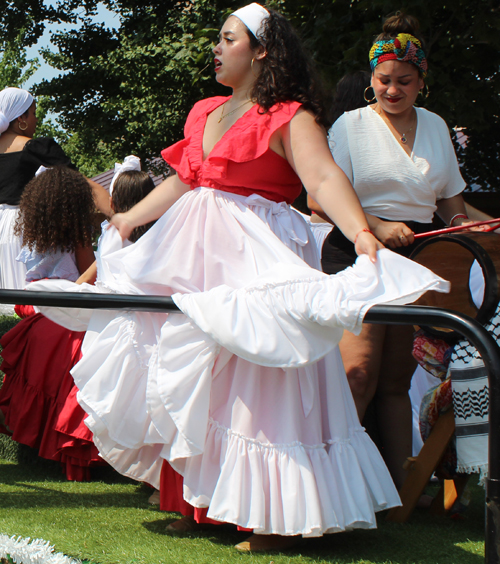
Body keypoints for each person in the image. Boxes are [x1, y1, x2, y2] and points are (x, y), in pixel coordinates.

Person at [62, 4, 448, 551]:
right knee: (198, 373)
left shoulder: (290, 114)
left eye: (227, 39)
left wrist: (361, 232)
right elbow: (186, 180)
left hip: (255, 251)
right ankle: (197, 503)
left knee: (259, 379)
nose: (216, 49)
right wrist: (128, 217)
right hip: (192, 252)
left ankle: (272, 517)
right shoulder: (204, 112)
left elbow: (321, 175)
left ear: (261, 50)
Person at [325, 13, 474, 488]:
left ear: (421, 81)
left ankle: (395, 491)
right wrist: (378, 226)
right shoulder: (349, 125)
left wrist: (463, 227)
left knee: (393, 382)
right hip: (358, 250)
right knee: (357, 373)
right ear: (371, 79)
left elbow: (450, 202)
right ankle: (335, 485)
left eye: (404, 81)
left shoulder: (436, 126)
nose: (393, 90)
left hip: (418, 257)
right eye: (384, 80)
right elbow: (319, 197)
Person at [0, 164, 156, 480]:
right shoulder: (86, 236)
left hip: (39, 307)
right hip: (69, 306)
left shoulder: (33, 234)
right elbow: (88, 278)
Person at [0, 87, 111, 314]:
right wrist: (121, 217)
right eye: (33, 112)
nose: (37, 118)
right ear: (21, 118)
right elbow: (84, 186)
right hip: (29, 227)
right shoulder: (37, 147)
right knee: (32, 302)